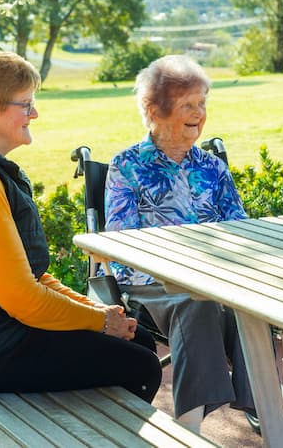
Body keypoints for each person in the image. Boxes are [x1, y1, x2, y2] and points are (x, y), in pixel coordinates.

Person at [0, 48, 161, 402]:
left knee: (136, 338)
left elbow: (32, 277)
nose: (34, 113)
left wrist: (100, 312)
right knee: (140, 365)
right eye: (25, 104)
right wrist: (101, 322)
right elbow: (24, 300)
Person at [104, 54, 255, 434]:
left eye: (202, 103)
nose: (199, 114)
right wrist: (180, 276)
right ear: (154, 110)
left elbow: (240, 229)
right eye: (188, 104)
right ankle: (190, 431)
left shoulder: (212, 167)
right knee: (196, 303)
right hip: (153, 284)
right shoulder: (126, 167)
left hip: (215, 278)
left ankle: (275, 428)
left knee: (250, 308)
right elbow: (121, 247)